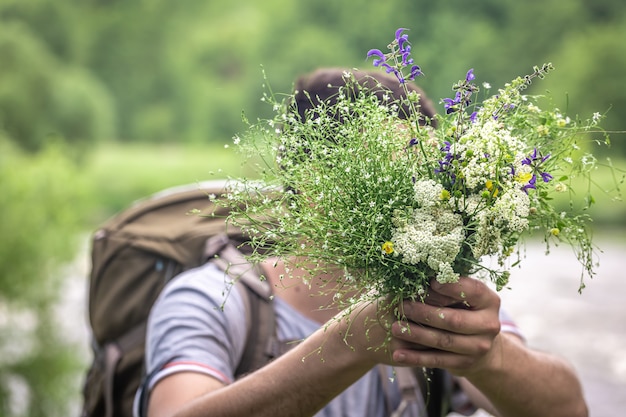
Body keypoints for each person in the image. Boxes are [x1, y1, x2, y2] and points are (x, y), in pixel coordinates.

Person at [135, 68, 588, 417]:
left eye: (426, 176)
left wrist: (487, 358)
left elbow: (570, 409)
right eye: (385, 177)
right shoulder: (215, 299)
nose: (417, 197)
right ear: (309, 181)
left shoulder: (433, 295)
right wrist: (352, 343)